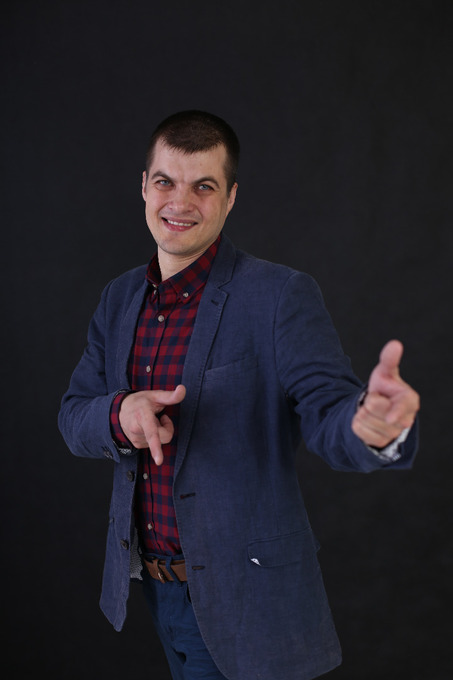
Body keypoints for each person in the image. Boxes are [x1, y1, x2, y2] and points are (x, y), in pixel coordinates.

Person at [58, 110, 420, 680]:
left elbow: (329, 409)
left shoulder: (279, 295)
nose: (180, 202)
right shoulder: (119, 298)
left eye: (203, 186)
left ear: (230, 198)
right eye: (166, 181)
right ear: (145, 187)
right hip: (154, 589)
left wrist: (370, 428)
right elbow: (73, 415)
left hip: (248, 599)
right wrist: (119, 413)